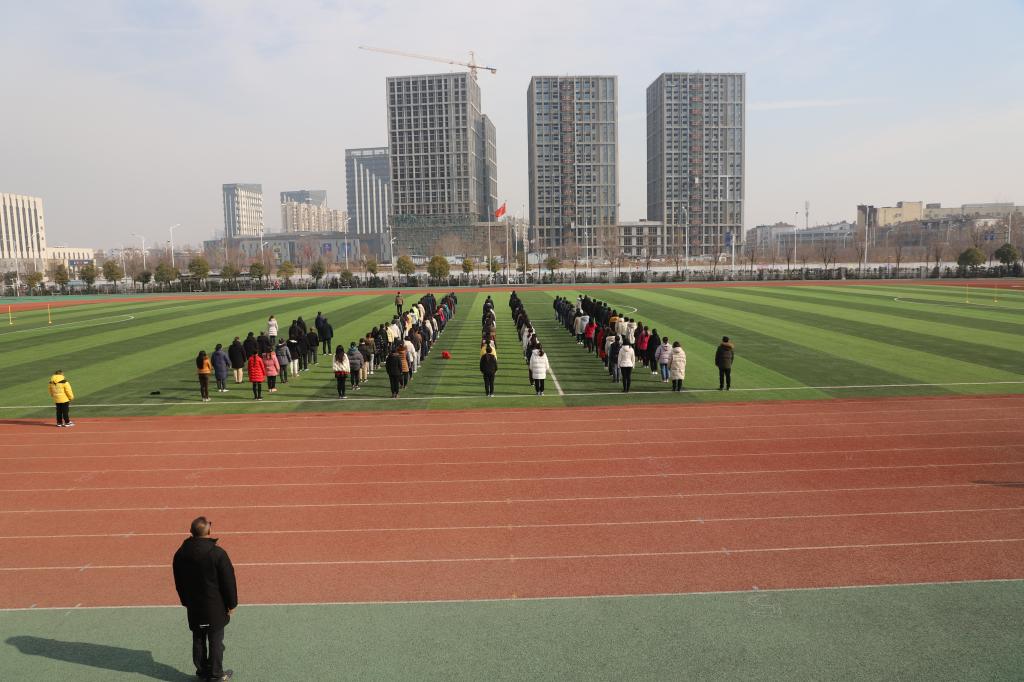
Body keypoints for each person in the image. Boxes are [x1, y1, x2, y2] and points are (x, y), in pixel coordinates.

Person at [172, 516, 237, 682]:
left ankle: (202, 673)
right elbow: (228, 581)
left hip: (194, 605)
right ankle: (216, 674)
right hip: (215, 606)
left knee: (198, 639)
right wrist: (232, 604)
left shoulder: (180, 554)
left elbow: (178, 581)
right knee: (216, 641)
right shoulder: (218, 554)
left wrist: (185, 601)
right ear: (209, 531)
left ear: (191, 532)